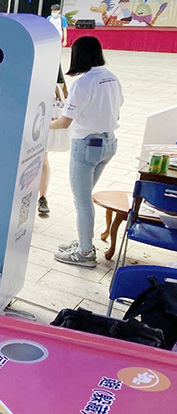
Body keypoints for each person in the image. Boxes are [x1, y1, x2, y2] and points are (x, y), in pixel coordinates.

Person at [50, 36, 123, 268]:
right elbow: (117, 114)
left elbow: (63, 123)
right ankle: (84, 242)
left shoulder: (84, 83)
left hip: (87, 147)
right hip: (109, 143)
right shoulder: (111, 77)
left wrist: (40, 124)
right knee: (85, 197)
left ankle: (84, 252)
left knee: (82, 201)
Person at [38, 67, 70, 216]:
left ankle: (42, 197)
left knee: (42, 157)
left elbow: (61, 86)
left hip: (42, 112)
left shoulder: (52, 58)